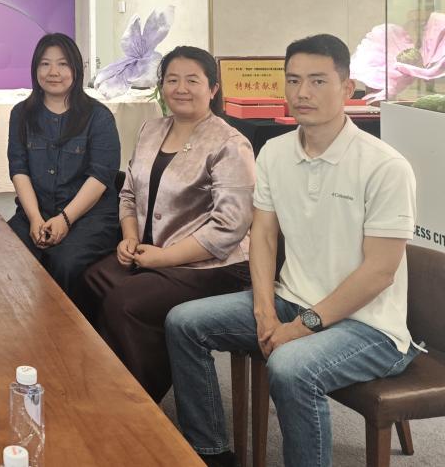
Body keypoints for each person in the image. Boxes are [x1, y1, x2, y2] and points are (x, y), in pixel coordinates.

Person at [165, 35, 419, 467]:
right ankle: (211, 452)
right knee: (183, 323)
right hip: (291, 300)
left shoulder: (385, 166)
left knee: (289, 366)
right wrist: (264, 310)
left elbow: (380, 272)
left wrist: (301, 327)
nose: (302, 92)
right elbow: (263, 236)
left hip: (369, 327)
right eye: (294, 80)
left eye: (318, 81)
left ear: (348, 88)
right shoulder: (275, 152)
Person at [84, 45, 255, 401]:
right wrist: (129, 236)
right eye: (172, 80)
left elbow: (230, 226)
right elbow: (128, 192)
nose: (181, 88)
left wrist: (164, 258)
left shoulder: (229, 143)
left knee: (125, 301)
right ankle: (104, 385)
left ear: (213, 88)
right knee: (91, 280)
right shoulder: (151, 129)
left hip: (211, 264)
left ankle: (135, 401)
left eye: (192, 80)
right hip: (151, 251)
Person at [7, 33, 119, 307]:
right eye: (45, 64)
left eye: (63, 64)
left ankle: (67, 331)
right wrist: (35, 218)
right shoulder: (21, 114)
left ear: (76, 69)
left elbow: (100, 177)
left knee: (64, 262)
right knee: (7, 254)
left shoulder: (99, 117)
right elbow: (19, 169)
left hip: (89, 217)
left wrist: (65, 219)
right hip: (37, 210)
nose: (53, 72)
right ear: (35, 69)